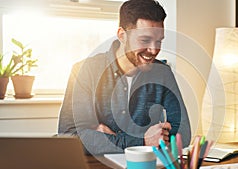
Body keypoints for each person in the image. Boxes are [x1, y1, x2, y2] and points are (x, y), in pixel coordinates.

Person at [58, 0, 191, 155]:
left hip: (147, 168)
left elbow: (183, 133)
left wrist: (101, 139)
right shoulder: (85, 71)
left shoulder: (162, 73)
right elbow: (68, 137)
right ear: (122, 35)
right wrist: (142, 141)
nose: (154, 50)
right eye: (144, 40)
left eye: (159, 41)